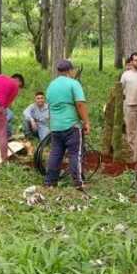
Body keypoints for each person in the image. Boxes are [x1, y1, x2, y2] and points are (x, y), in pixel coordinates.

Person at [45, 60, 91, 189]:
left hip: (55, 126)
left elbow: (49, 107)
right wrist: (86, 121)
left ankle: (50, 182)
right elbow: (80, 104)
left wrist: (51, 124)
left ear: (58, 71)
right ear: (70, 70)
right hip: (71, 125)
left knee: (55, 153)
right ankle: (78, 182)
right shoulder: (73, 83)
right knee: (75, 154)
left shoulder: (51, 85)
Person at [120, 52, 137, 160]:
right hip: (130, 105)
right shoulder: (126, 75)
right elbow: (120, 90)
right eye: (135, 60)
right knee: (131, 130)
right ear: (131, 62)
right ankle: (134, 152)